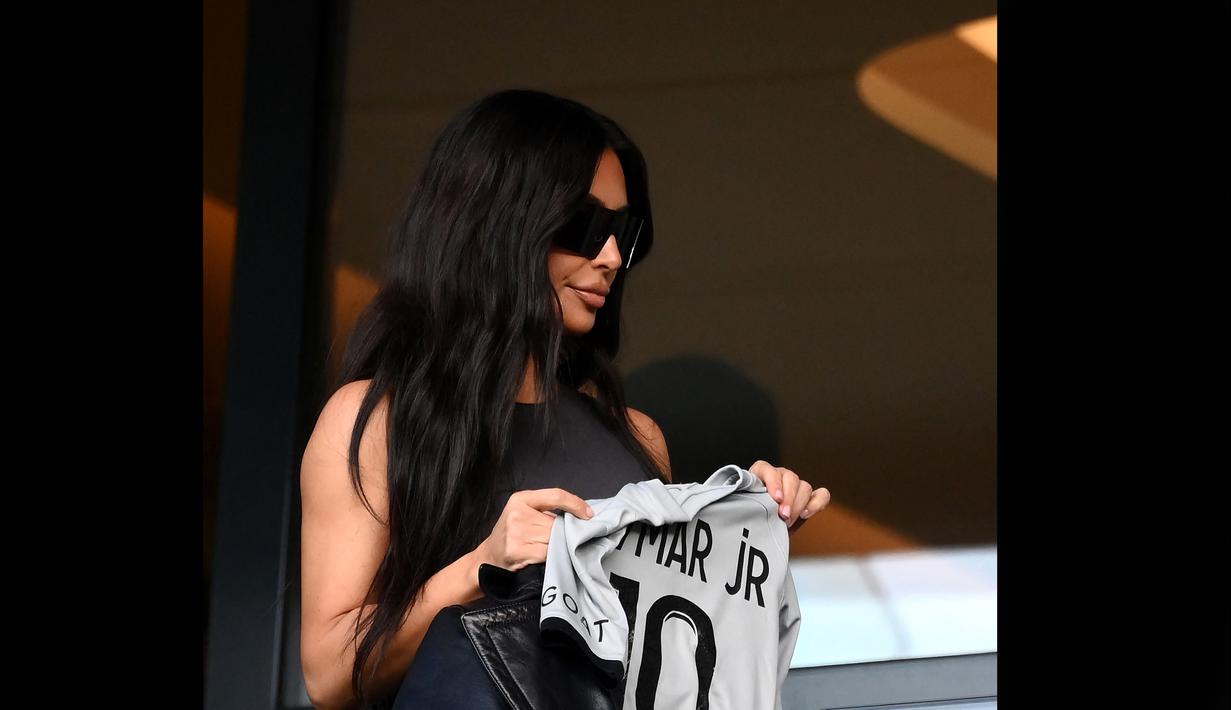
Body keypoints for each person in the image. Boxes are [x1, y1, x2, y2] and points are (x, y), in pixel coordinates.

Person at [298, 88, 831, 710]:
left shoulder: (635, 435)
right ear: (498, 223)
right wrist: (482, 566)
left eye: (624, 233)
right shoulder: (374, 421)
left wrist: (741, 522)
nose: (609, 258)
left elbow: (677, 664)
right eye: (584, 226)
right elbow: (330, 672)